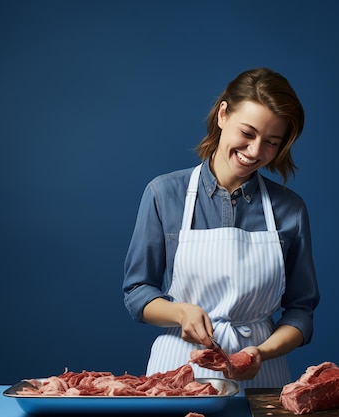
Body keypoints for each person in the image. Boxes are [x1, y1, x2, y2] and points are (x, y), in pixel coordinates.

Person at [123, 67, 320, 391]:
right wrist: (180, 313)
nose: (255, 151)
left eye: (271, 142)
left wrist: (260, 352)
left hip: (261, 376)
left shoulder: (290, 209)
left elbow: (301, 311)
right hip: (178, 373)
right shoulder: (163, 194)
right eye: (248, 133)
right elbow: (137, 292)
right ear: (223, 115)